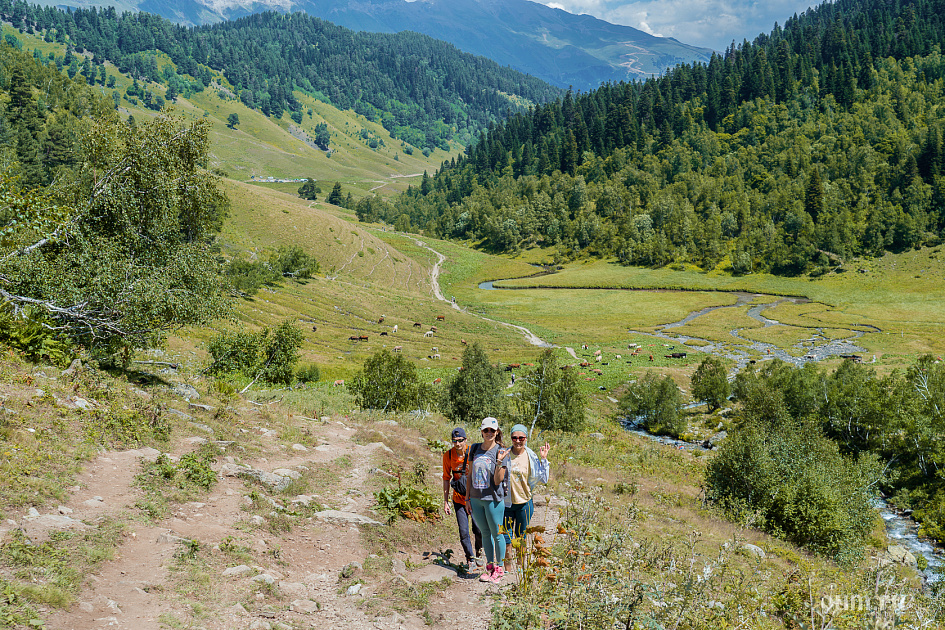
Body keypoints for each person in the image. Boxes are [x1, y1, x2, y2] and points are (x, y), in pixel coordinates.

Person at [465, 416, 511, 583]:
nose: (489, 433)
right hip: (476, 498)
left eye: (492, 430)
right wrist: (467, 498)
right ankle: (489, 567)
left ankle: (499, 568)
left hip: (493, 498)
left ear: (497, 431)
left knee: (497, 534)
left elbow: (498, 480)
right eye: (486, 430)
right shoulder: (474, 449)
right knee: (485, 533)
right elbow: (469, 474)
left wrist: (499, 461)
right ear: (481, 432)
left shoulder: (501, 451)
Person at [502, 424, 550, 570]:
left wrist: (544, 460)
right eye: (514, 438)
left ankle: (521, 569)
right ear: (511, 438)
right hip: (507, 504)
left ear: (526, 438)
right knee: (507, 540)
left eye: (521, 438)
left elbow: (544, 479)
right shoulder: (505, 454)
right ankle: (508, 572)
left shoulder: (531, 456)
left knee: (521, 538)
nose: (517, 441)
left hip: (524, 504)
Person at [442, 427, 482, 573]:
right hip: (459, 498)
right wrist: (445, 501)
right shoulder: (448, 455)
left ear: (466, 440)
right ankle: (470, 559)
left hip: (475, 498)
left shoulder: (474, 451)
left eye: (460, 441)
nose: (457, 444)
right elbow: (446, 478)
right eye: (454, 441)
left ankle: (479, 553)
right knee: (463, 531)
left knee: (478, 529)